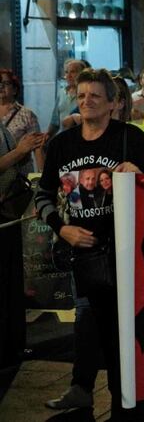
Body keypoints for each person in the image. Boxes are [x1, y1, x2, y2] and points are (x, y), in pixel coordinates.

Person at [33, 69, 144, 420]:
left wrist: (142, 175)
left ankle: (129, 399)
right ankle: (108, 396)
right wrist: (62, 229)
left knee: (125, 327)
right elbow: (42, 194)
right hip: (84, 253)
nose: (86, 101)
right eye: (81, 95)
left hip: (128, 249)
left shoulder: (129, 138)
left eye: (95, 96)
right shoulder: (62, 144)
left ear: (114, 103)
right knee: (98, 325)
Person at [0, 108, 45, 368]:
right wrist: (20, 150)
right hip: (3, 210)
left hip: (9, 209)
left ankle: (13, 345)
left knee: (12, 284)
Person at [0, 68, 44, 172]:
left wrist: (41, 180)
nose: (1, 86)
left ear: (15, 89)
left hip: (19, 180)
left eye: (5, 83)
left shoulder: (27, 115)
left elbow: (38, 149)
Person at [49, 59, 88, 138]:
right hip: (63, 138)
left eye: (73, 72)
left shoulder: (87, 94)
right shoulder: (61, 93)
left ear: (82, 74)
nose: (68, 76)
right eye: (66, 72)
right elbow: (55, 122)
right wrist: (47, 136)